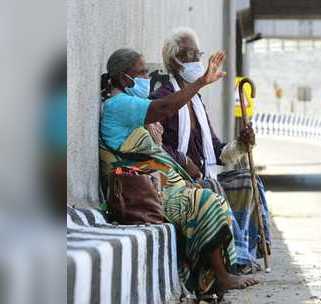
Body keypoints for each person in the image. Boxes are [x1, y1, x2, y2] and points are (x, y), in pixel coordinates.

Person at [99, 48, 258, 296]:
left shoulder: (149, 106)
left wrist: (240, 144)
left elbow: (217, 149)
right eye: (140, 73)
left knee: (214, 192)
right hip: (148, 195)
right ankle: (221, 276)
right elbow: (163, 109)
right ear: (123, 78)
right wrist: (201, 82)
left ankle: (223, 271)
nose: (146, 77)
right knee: (205, 201)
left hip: (165, 185)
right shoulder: (119, 105)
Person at [152, 27, 271, 273]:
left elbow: (217, 151)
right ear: (174, 61)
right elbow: (156, 143)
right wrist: (183, 160)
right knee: (211, 187)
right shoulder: (164, 96)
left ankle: (248, 251)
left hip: (205, 178)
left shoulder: (197, 101)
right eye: (189, 55)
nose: (197, 61)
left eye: (198, 54)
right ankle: (236, 259)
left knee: (248, 182)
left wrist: (241, 143)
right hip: (180, 183)